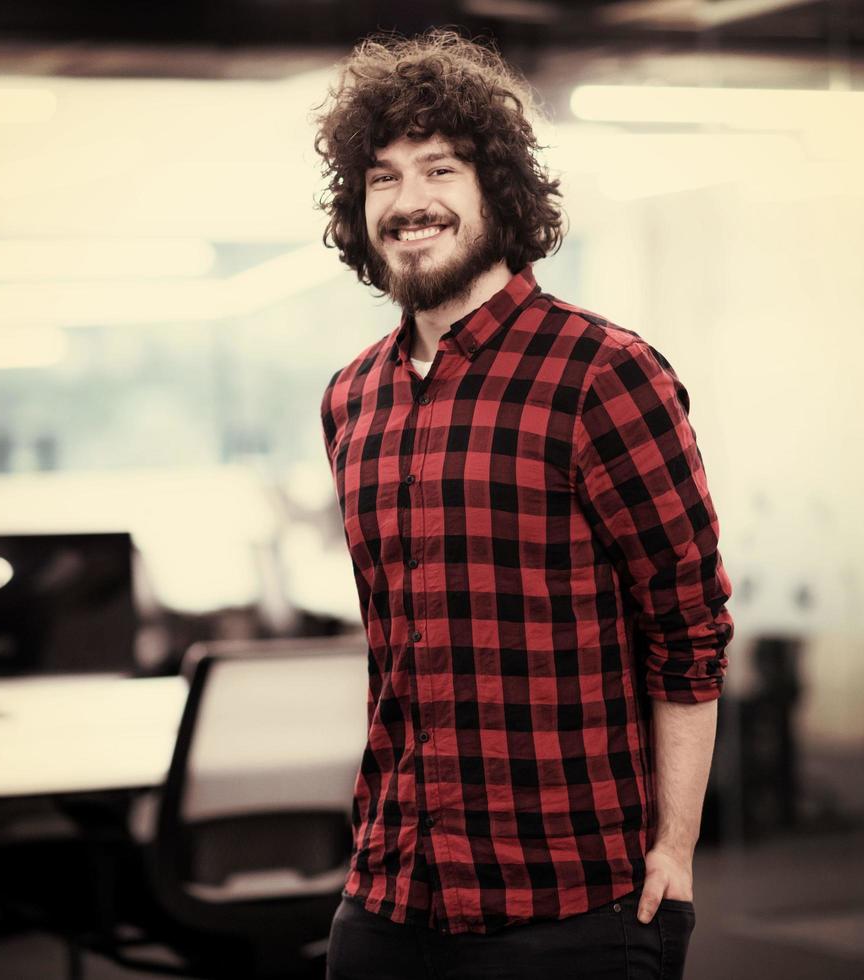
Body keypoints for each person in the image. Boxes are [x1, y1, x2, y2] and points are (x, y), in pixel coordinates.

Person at [315, 30, 734, 980]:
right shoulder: (353, 398)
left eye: (439, 169)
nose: (409, 201)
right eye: (381, 178)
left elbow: (690, 625)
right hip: (389, 898)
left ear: (497, 191)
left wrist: (676, 847)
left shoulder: (603, 374)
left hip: (571, 902)